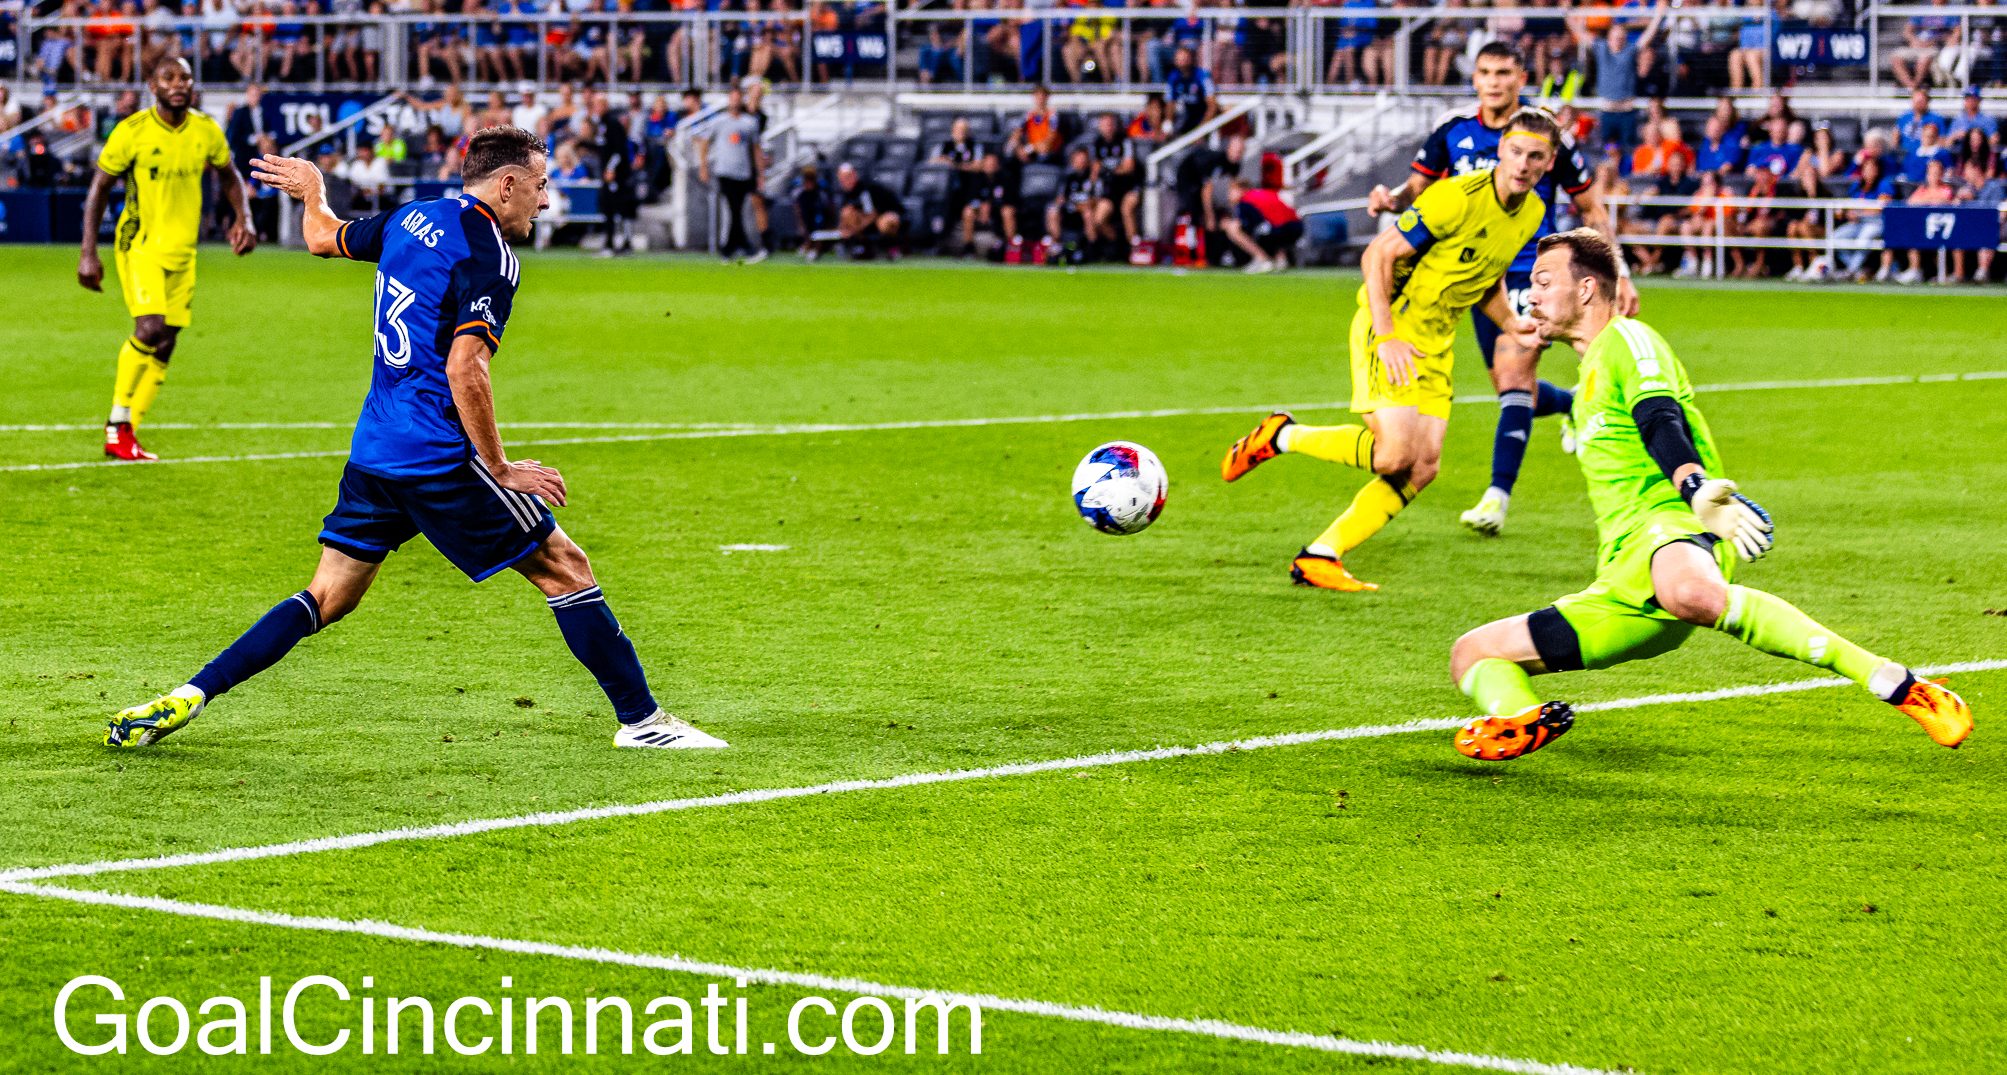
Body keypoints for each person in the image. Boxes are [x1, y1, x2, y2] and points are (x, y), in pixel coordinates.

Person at [106, 127, 727, 754]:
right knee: (565, 568)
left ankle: (192, 694)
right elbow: (466, 368)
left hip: (375, 450)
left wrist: (313, 191)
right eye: (540, 187)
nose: (544, 202)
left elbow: (322, 237)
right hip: (436, 457)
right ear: (507, 184)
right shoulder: (489, 254)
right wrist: (501, 466)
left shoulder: (411, 218)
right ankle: (644, 722)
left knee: (326, 596)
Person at [1447, 228, 1971, 761]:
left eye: (1542, 281)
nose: (1530, 294)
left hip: (1678, 528)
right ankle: (1518, 719)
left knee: (1690, 593)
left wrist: (1695, 488)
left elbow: (1660, 418)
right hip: (1622, 578)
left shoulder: (1629, 340)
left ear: (1585, 290)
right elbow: (1519, 391)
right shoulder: (1589, 378)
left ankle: (1897, 683)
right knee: (1472, 654)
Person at [1219, 109, 1560, 592]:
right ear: (1500, 148)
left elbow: (1485, 279)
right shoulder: (1454, 198)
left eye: (1537, 157)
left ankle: (1320, 554)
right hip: (1391, 326)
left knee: (1423, 467)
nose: (1524, 164)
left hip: (1437, 342)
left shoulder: (1531, 214)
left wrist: (1512, 325)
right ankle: (1282, 436)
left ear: (1549, 164)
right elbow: (1377, 254)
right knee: (1393, 456)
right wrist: (1386, 334)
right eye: (1517, 151)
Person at [1365, 42, 1636, 538]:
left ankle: (1497, 496)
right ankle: (1573, 404)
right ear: (1475, 78)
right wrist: (1391, 198)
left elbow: (1590, 208)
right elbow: (1418, 190)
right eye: (1486, 72)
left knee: (1514, 371)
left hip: (1533, 268)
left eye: (1504, 73)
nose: (1494, 82)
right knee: (1510, 386)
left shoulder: (1544, 136)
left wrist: (1618, 270)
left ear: (1520, 77)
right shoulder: (1453, 131)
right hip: (1468, 273)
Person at [77, 57, 255, 464]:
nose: (178, 84)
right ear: (151, 85)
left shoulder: (206, 130)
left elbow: (229, 175)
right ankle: (117, 423)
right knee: (150, 327)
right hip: (139, 245)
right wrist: (89, 252)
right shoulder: (132, 132)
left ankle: (127, 434)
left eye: (185, 77)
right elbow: (99, 189)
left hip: (183, 252)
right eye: (168, 78)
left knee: (168, 340)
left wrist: (243, 219)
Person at [693, 85, 766, 263]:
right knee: (734, 209)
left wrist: (760, 173)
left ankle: (730, 249)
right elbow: (704, 142)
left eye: (737, 97)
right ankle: (742, 247)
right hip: (725, 171)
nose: (734, 101)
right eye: (732, 97)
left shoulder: (749, 123)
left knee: (737, 209)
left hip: (743, 172)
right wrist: (703, 166)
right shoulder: (719, 121)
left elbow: (756, 149)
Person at [1221, 178, 1303, 273]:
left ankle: (1262, 259)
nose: (1229, 195)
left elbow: (1242, 224)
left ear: (1241, 189)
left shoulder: (1245, 200)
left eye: (1231, 191)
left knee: (1233, 230)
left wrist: (1226, 224)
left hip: (1279, 230)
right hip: (1298, 227)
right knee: (1268, 228)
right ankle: (1280, 260)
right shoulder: (1263, 193)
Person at [1045, 146, 1111, 261]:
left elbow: (1095, 199)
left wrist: (1080, 206)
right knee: (1052, 212)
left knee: (1088, 214)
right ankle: (1057, 247)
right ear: (1073, 160)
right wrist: (1069, 205)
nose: (1081, 162)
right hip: (1069, 210)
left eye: (1083, 159)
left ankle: (1092, 250)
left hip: (1086, 211)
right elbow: (1060, 199)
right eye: (1078, 159)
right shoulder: (1067, 178)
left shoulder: (1092, 178)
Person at [1086, 111, 1142, 244]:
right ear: (1100, 126)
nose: (1108, 127)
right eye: (1105, 124)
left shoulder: (1124, 141)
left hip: (1127, 187)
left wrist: (1109, 171)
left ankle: (1134, 247)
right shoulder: (1097, 143)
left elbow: (1129, 166)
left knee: (1127, 208)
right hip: (1108, 190)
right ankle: (1118, 244)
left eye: (1111, 124)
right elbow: (1095, 169)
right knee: (1098, 219)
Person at [835, 161, 903, 258]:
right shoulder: (846, 193)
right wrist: (842, 230)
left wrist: (854, 231)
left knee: (887, 222)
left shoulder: (865, 189)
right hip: (868, 219)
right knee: (847, 213)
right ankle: (862, 247)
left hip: (887, 213)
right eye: (842, 179)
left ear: (854, 175)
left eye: (848, 177)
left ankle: (892, 248)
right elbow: (845, 213)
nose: (845, 181)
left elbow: (872, 214)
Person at [1166, 45, 1217, 136]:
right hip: (1185, 117)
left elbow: (1212, 105)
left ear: (1191, 59)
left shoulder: (1202, 76)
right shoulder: (1173, 77)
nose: (1182, 61)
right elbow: (1170, 102)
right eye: (1179, 58)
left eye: (1184, 58)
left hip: (1201, 116)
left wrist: (1201, 130)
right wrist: (1168, 124)